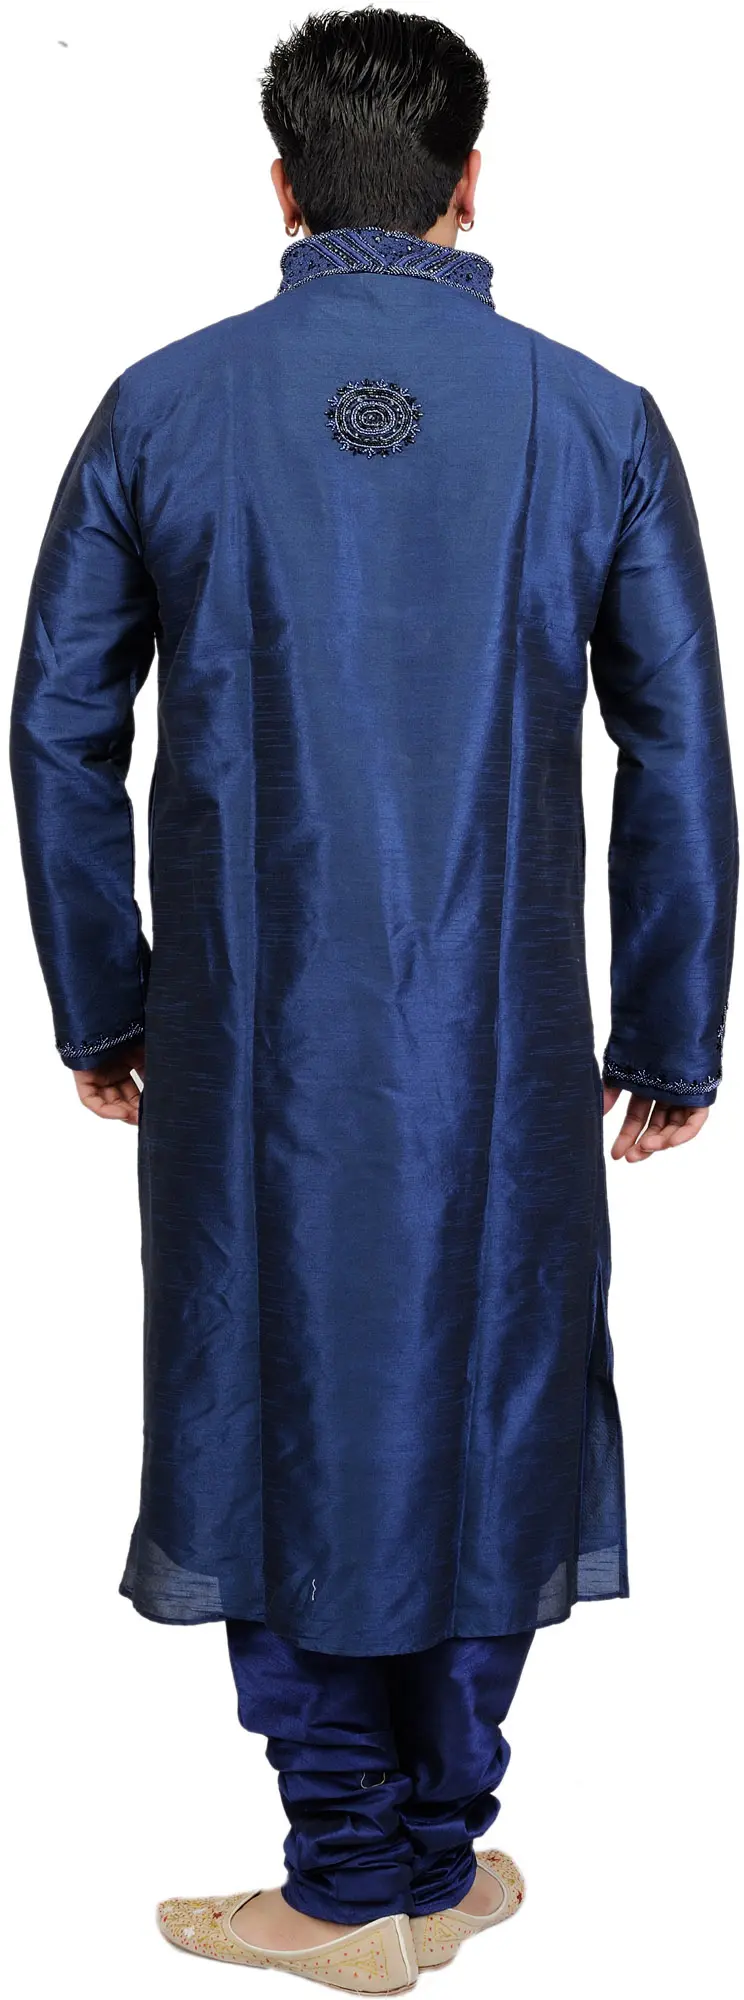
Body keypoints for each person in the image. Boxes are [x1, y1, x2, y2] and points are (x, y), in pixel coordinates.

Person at [9, 9, 738, 1992]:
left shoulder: (161, 409)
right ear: (468, 180)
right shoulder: (594, 419)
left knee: (280, 1398)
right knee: (493, 1395)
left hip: (251, 1047)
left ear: (282, 184)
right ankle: (417, 1851)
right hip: (503, 1049)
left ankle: (358, 1878)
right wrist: (670, 1032)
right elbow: (678, 748)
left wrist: (108, 1003)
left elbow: (60, 726)